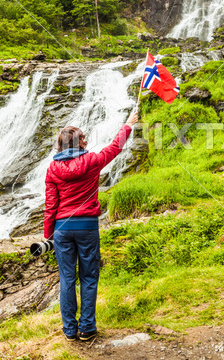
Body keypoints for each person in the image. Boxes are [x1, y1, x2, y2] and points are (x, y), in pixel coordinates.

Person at [44, 111, 138, 342]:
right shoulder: (92, 161)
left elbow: (50, 204)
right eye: (83, 138)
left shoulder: (52, 169)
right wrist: (128, 125)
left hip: (61, 228)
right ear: (80, 142)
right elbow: (115, 148)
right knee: (88, 277)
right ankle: (86, 328)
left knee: (66, 279)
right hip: (87, 226)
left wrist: (49, 236)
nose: (86, 141)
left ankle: (69, 330)